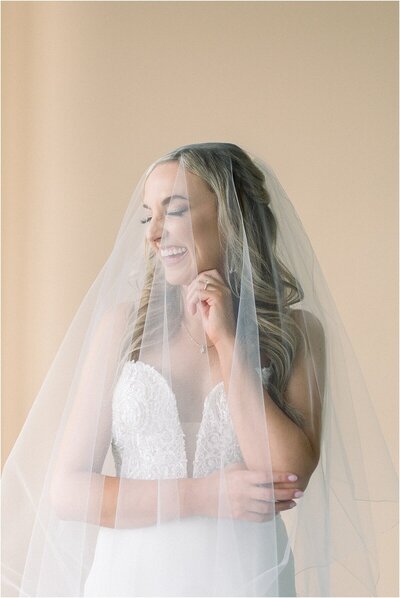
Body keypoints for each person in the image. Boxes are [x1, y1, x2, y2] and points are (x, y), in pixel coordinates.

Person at [1, 143, 397, 597]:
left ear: (231, 217)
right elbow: (68, 491)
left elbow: (289, 473)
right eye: (148, 216)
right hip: (129, 581)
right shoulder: (122, 329)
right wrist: (204, 495)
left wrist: (228, 341)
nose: (153, 235)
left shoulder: (297, 333)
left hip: (246, 580)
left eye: (174, 211)